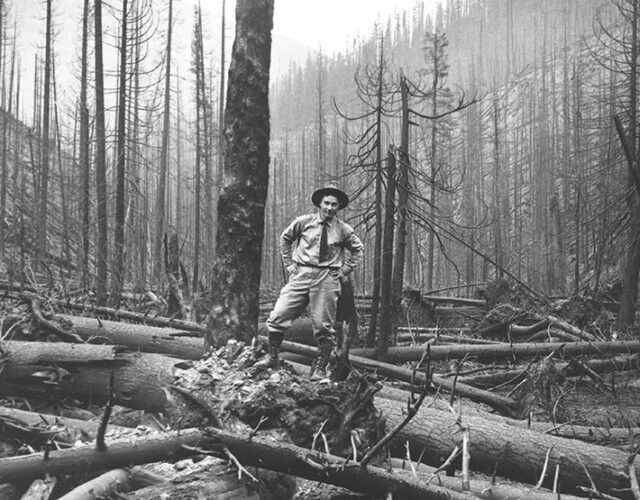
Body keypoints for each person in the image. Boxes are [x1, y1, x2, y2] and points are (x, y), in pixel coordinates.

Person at [256, 185, 364, 380]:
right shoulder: (304, 222)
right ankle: (272, 357)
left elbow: (358, 249)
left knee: (324, 325)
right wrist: (289, 263)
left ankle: (320, 368)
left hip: (327, 278)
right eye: (327, 203)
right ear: (319, 204)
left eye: (334, 205)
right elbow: (285, 238)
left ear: (338, 207)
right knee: (279, 314)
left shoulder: (343, 229)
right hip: (302, 273)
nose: (330, 208)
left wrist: (344, 270)